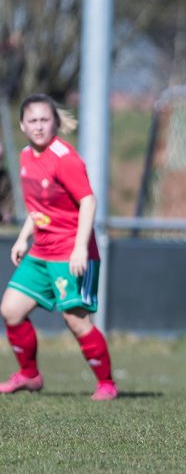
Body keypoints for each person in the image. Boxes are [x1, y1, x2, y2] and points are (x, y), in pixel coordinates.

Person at [0, 94, 116, 401]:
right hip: (41, 250)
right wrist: (24, 236)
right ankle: (29, 376)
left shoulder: (65, 159)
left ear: (54, 122)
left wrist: (80, 248)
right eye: (32, 121)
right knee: (11, 310)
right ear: (22, 124)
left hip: (70, 250)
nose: (39, 127)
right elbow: (37, 207)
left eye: (44, 120)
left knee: (75, 319)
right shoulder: (26, 156)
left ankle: (106, 384)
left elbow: (88, 201)